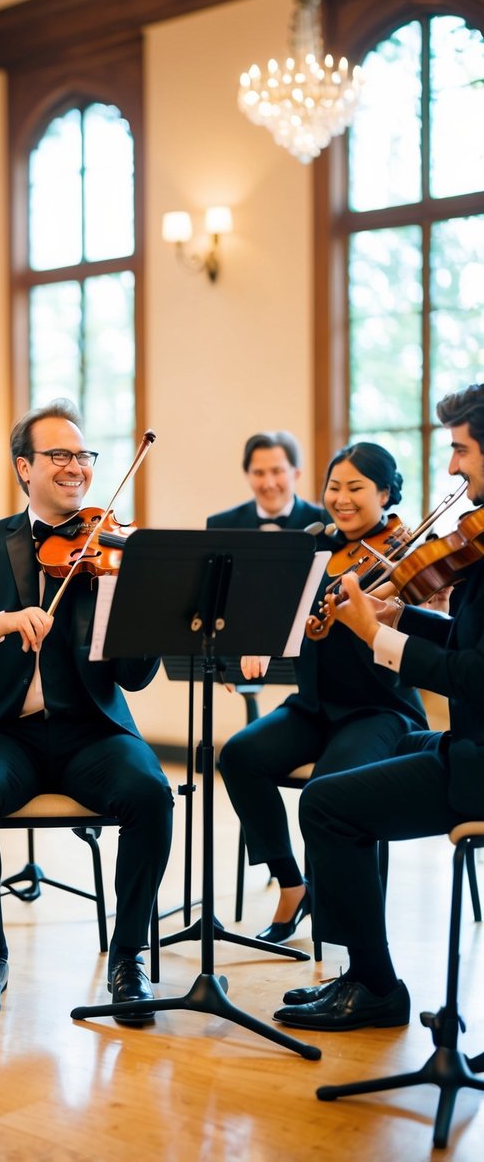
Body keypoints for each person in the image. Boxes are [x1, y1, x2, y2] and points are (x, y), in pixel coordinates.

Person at [0, 398, 173, 1023]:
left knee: (150, 794)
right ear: (24, 468)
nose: (75, 466)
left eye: (83, 455)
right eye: (59, 454)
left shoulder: (114, 547)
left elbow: (135, 679)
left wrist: (138, 602)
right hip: (4, 732)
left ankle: (129, 956)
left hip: (93, 731)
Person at [272, 383, 484, 1032]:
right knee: (368, 770)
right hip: (465, 745)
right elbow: (464, 641)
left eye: (460, 451)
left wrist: (377, 637)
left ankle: (373, 986)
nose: (450, 467)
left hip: (478, 760)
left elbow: (470, 677)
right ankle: (359, 972)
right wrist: (404, 616)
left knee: (326, 801)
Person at [218, 442, 427, 944]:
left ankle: (348, 938)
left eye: (356, 488)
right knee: (240, 755)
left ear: (385, 493)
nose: (342, 498)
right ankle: (292, 885)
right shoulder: (314, 546)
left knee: (331, 791)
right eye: (334, 487)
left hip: (378, 709)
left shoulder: (403, 556)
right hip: (314, 706)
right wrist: (260, 643)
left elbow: (425, 621)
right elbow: (279, 614)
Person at [207, 431, 328, 531]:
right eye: (259, 473)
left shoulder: (324, 522)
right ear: (247, 475)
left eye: (277, 471)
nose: (269, 484)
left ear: (296, 474)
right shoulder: (221, 526)